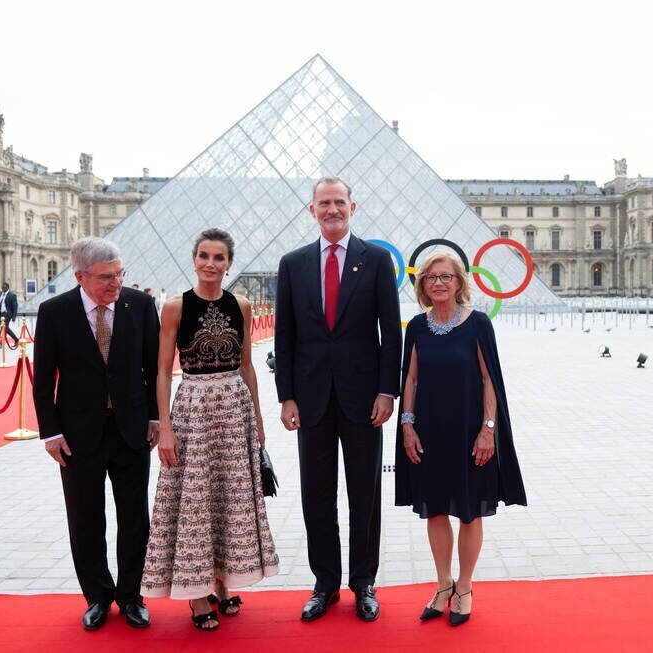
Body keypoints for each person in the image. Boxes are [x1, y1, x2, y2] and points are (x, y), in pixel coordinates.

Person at [275, 177, 401, 622]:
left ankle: (363, 581)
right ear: (312, 210)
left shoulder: (377, 260)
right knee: (316, 493)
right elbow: (285, 335)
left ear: (353, 206)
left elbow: (391, 332)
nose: (332, 210)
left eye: (339, 202)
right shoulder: (292, 264)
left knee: (364, 492)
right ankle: (324, 582)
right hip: (310, 399)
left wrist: (389, 390)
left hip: (365, 399)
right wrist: (286, 396)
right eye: (324, 203)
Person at [141, 228, 278, 632]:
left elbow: (248, 366)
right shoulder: (174, 307)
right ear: (194, 259)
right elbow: (164, 372)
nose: (210, 264)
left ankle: (223, 582)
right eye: (204, 256)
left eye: (219, 258)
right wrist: (165, 427)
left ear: (229, 264)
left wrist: (258, 420)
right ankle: (198, 594)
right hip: (194, 410)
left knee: (228, 497)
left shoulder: (242, 305)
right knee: (196, 500)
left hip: (234, 410)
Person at [32, 237, 160, 631]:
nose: (116, 282)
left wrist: (155, 419)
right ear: (80, 276)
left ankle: (131, 595)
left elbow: (154, 368)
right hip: (77, 434)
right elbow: (43, 378)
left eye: (120, 273)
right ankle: (98, 597)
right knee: (85, 519)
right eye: (106, 277)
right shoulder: (54, 311)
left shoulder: (139, 305)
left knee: (134, 518)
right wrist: (50, 433)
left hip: (131, 430)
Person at [395, 251, 526, 627]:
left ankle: (464, 587)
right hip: (428, 432)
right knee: (434, 508)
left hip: (470, 432)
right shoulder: (417, 327)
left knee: (469, 510)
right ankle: (442, 585)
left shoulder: (479, 323)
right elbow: (411, 379)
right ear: (422, 285)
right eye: (431, 277)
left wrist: (488, 429)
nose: (438, 282)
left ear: (459, 282)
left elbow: (490, 379)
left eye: (446, 277)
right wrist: (407, 425)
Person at [0, 282, 19, 348]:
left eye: (4, 287)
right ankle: (16, 340)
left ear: (8, 287)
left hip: (7, 314)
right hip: (0, 313)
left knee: (5, 328)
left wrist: (14, 316)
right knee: (4, 329)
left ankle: (2, 343)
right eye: (2, 287)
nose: (3, 289)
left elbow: (15, 306)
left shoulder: (12, 295)